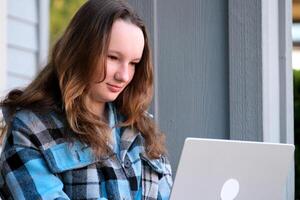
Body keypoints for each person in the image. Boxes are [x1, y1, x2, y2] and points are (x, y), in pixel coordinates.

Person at [0, 0, 173, 199]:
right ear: (80, 51)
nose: (124, 76)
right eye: (113, 57)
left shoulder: (141, 127)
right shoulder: (30, 130)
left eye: (134, 63)